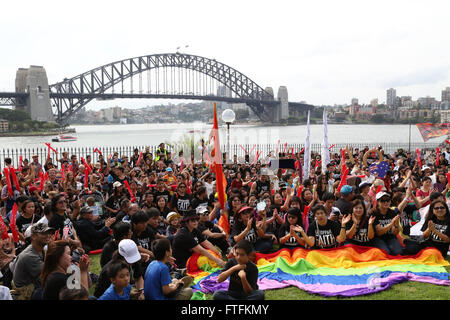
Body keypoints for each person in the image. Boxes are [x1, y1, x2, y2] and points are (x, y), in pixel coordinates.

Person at [11, 223, 54, 300]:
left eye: (49, 232)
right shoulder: (30, 256)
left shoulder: (41, 250)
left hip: (34, 287)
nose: (48, 235)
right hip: (27, 294)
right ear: (33, 236)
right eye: (44, 233)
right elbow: (50, 276)